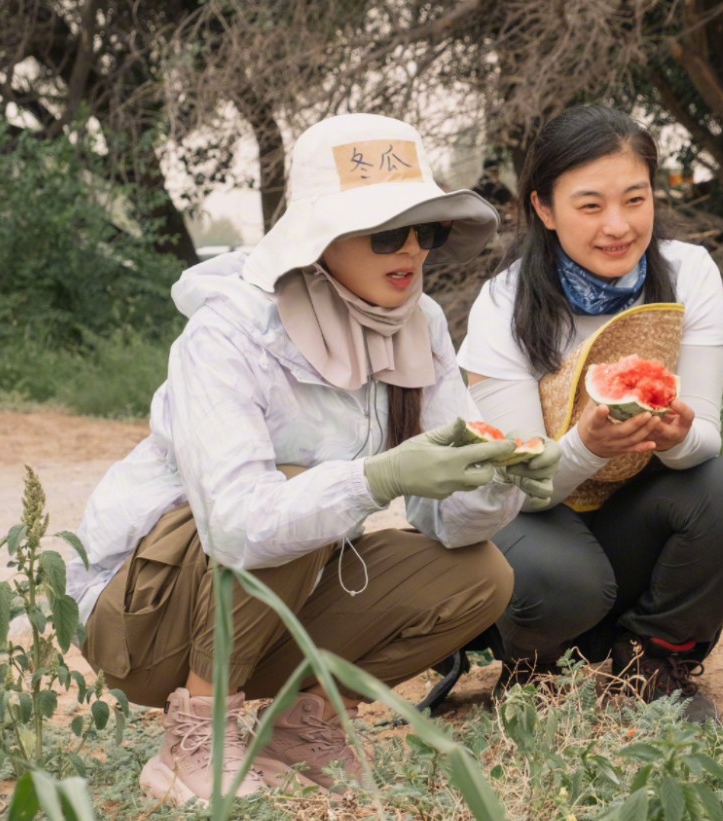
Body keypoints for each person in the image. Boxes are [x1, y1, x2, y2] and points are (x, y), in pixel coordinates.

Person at [65, 113, 560, 805]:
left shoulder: (419, 325)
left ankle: (301, 729)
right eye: (389, 232)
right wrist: (378, 476)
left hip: (269, 604)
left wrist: (500, 479)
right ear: (316, 237)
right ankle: (194, 738)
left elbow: (450, 524)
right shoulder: (228, 331)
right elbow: (237, 524)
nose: (414, 250)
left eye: (429, 230)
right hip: (141, 619)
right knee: (296, 497)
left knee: (480, 575)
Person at [456, 105, 723, 723]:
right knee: (564, 579)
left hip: (631, 518)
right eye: (590, 205)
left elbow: (703, 433)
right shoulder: (503, 304)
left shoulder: (689, 273)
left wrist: (677, 438)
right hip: (535, 519)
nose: (619, 226)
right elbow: (521, 482)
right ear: (543, 209)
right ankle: (532, 663)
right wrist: (585, 445)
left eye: (635, 199)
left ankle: (649, 661)